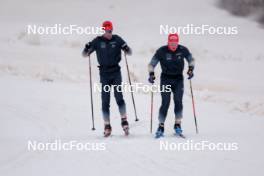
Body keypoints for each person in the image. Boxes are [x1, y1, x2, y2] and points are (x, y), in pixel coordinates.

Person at [82, 20, 132, 137]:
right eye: (107, 31)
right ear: (103, 30)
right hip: (104, 74)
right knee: (105, 100)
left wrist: (126, 48)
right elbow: (85, 55)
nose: (109, 33)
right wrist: (86, 48)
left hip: (116, 72)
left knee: (119, 97)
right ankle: (107, 125)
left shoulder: (117, 39)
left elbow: (129, 52)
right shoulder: (98, 41)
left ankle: (124, 121)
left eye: (111, 30)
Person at [148, 33, 195, 138]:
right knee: (165, 102)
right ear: (168, 42)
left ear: (177, 42)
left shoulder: (183, 49)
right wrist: (151, 74)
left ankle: (177, 124)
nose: (173, 45)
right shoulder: (162, 51)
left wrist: (191, 69)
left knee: (178, 101)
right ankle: (161, 126)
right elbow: (151, 64)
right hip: (166, 79)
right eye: (171, 42)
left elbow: (191, 60)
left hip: (178, 79)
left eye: (175, 42)